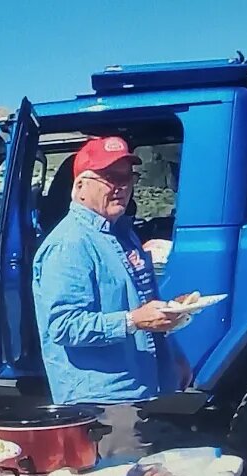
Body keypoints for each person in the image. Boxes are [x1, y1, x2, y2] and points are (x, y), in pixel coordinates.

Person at [32, 136, 196, 458]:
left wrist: (172, 352)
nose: (122, 186)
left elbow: (146, 298)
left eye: (127, 178)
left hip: (135, 390)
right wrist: (133, 320)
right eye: (111, 178)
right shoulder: (70, 244)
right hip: (102, 403)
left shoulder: (123, 234)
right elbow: (64, 326)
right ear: (80, 187)